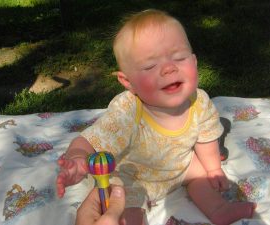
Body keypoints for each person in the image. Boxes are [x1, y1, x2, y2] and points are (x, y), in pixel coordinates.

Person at [56, 9, 256, 225]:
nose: (169, 68)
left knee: (200, 175)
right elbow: (87, 141)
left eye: (179, 58)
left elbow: (206, 138)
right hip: (134, 177)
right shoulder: (127, 111)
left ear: (195, 62)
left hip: (180, 166)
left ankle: (219, 210)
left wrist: (213, 169)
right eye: (150, 66)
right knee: (124, 205)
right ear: (128, 82)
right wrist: (77, 160)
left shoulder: (199, 101)